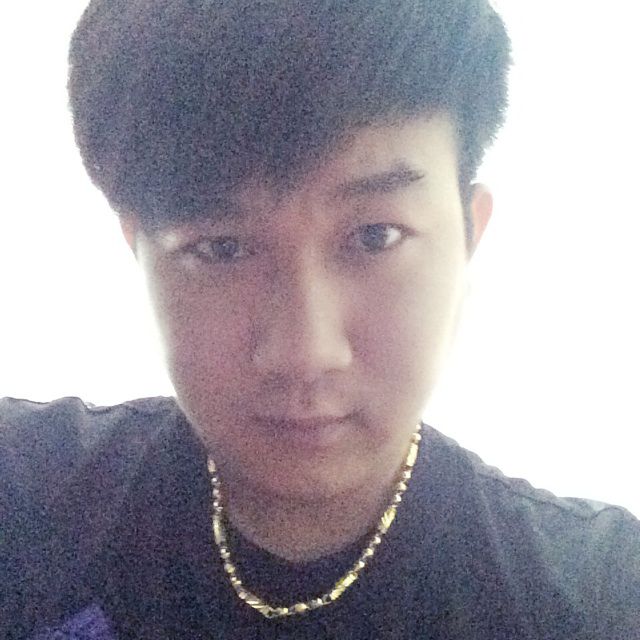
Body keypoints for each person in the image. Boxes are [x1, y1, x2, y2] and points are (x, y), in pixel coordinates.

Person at [1, 0, 638, 638]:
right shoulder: (26, 495)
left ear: (470, 232)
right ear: (137, 247)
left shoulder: (599, 595)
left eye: (375, 236)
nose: (305, 352)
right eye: (221, 248)